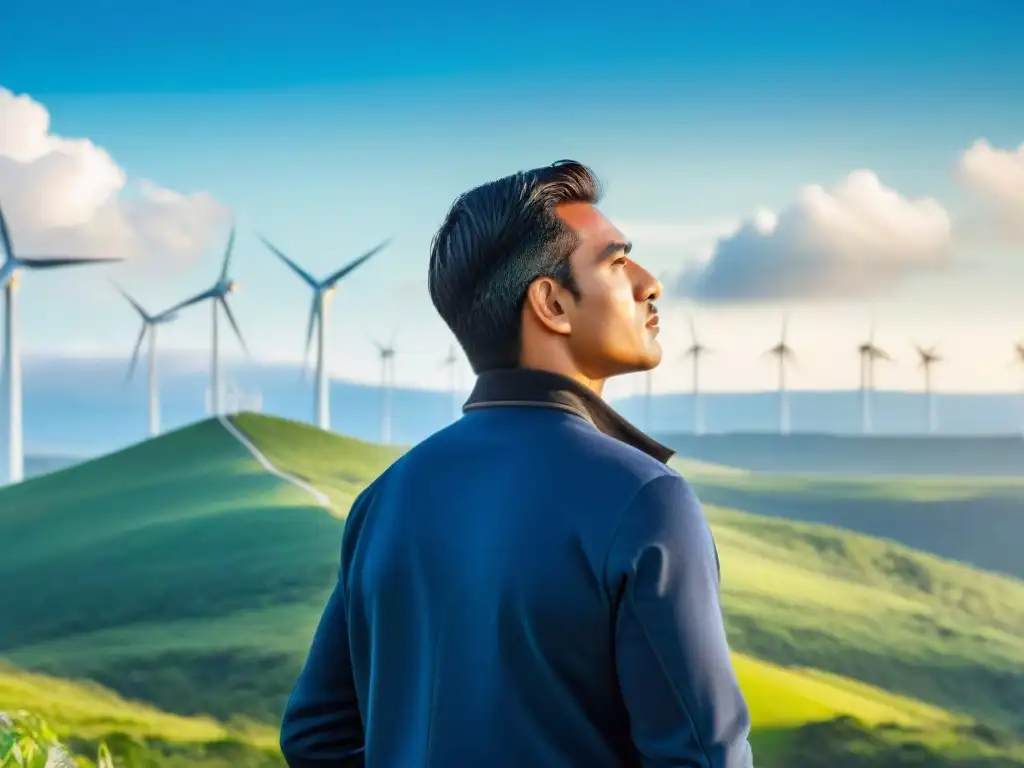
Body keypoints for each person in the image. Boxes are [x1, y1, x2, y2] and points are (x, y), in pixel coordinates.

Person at [279, 160, 754, 767]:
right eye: (616, 261)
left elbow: (316, 737)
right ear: (551, 301)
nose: (650, 283)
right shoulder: (642, 499)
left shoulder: (386, 498)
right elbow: (701, 755)